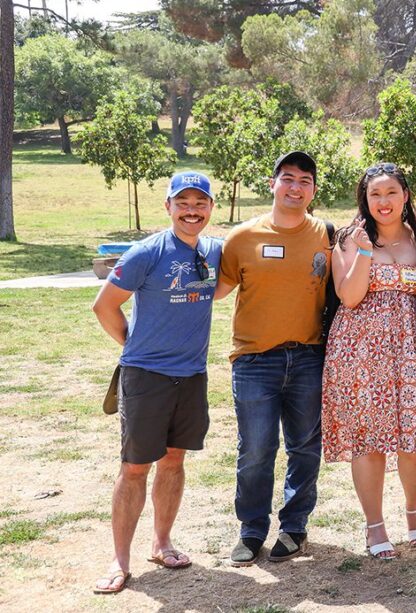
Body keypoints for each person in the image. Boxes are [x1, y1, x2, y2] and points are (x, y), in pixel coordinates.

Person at [91, 171, 221, 594]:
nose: (191, 211)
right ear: (168, 207)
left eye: (199, 203)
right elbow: (104, 304)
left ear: (210, 210)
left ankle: (161, 543)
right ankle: (119, 559)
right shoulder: (146, 252)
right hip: (146, 377)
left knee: (174, 462)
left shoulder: (214, 253)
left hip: (191, 376)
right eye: (182, 203)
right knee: (133, 468)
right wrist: (133, 344)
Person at [215, 151, 331, 566]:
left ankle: (294, 527)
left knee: (304, 447)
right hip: (254, 361)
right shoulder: (242, 238)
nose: (295, 187)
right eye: (288, 179)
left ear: (313, 190)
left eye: (304, 181)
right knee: (256, 450)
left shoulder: (327, 235)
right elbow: (214, 293)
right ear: (272, 184)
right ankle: (250, 530)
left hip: (307, 358)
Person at [321, 162, 416, 560]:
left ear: (405, 195)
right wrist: (367, 251)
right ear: (365, 199)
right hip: (360, 352)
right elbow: (349, 296)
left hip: (411, 351)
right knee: (369, 441)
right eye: (375, 194)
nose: (384, 201)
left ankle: (414, 513)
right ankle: (374, 525)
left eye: (391, 192)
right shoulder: (350, 239)